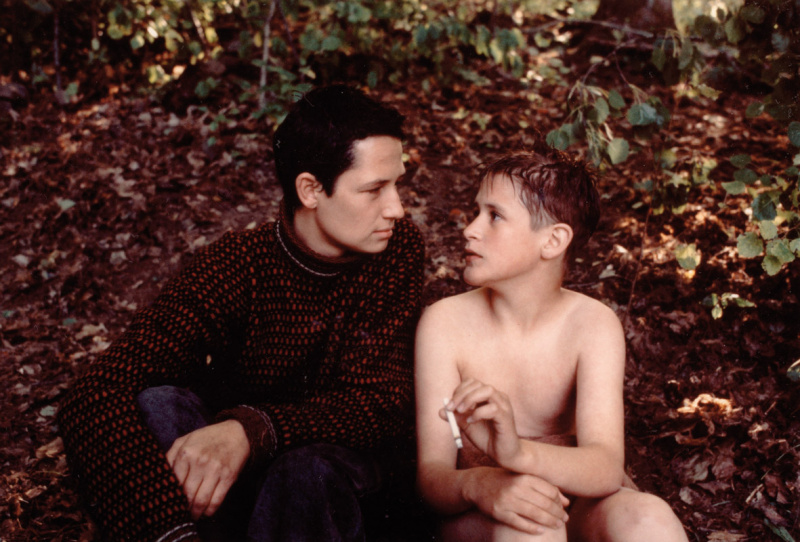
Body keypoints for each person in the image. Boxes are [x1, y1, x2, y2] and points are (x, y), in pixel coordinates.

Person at [59, 85, 425, 542]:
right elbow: (95, 391)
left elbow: (382, 403)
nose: (397, 208)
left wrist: (253, 430)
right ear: (311, 189)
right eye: (374, 189)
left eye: (396, 184)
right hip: (232, 494)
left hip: (334, 485)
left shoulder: (397, 250)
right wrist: (169, 531)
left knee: (306, 471)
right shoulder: (238, 265)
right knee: (157, 406)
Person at [414, 145, 689, 541]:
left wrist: (517, 454)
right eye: (476, 211)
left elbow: (606, 468)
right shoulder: (444, 323)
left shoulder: (592, 325)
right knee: (532, 528)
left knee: (650, 518)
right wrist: (481, 484)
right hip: (487, 510)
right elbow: (432, 479)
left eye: (494, 216)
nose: (470, 229)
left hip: (578, 507)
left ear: (553, 241)